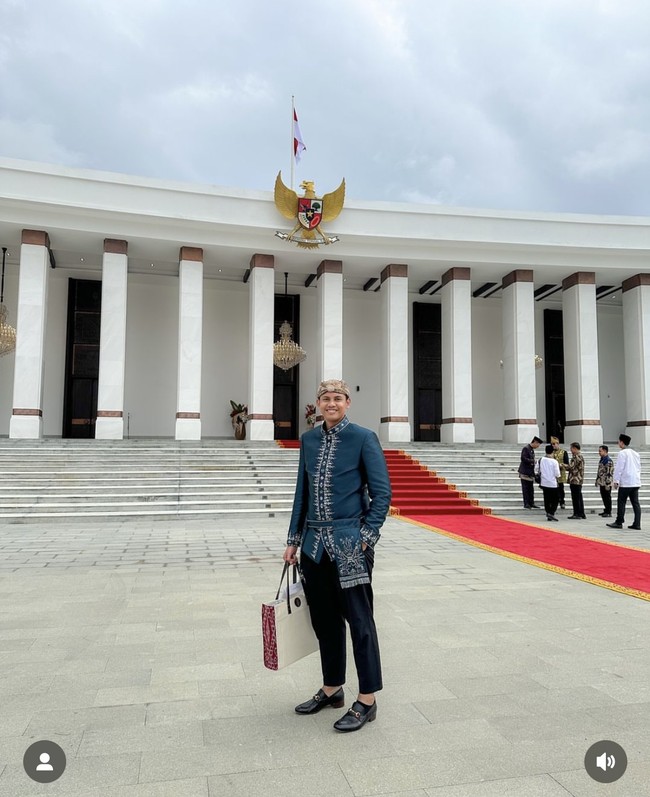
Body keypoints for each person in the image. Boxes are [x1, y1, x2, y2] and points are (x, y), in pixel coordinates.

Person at [283, 379, 391, 733]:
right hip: (314, 546)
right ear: (317, 403)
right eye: (325, 398)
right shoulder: (308, 440)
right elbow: (302, 491)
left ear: (347, 403)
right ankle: (332, 689)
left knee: (360, 623)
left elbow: (382, 494)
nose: (331, 403)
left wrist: (366, 537)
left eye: (337, 398)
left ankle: (367, 699)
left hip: (349, 544)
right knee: (324, 622)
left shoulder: (363, 438)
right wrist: (293, 540)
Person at [607, 434, 642, 530]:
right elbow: (639, 467)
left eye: (619, 441)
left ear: (622, 442)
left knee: (621, 501)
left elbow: (619, 468)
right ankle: (637, 523)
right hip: (635, 481)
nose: (618, 443)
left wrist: (616, 481)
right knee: (635, 503)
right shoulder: (636, 453)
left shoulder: (622, 453)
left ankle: (619, 521)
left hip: (626, 482)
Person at [537, 444, 561, 521]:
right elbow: (557, 474)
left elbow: (536, 469)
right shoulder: (554, 461)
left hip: (544, 482)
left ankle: (548, 512)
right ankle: (551, 512)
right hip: (552, 483)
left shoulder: (541, 460)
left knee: (546, 498)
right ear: (552, 451)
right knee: (555, 499)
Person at [518, 436, 542, 509]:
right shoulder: (526, 448)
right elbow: (523, 458)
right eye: (538, 444)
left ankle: (531, 503)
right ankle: (526, 503)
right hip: (525, 472)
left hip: (530, 473)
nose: (538, 446)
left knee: (531, 489)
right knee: (525, 489)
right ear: (534, 442)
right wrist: (532, 461)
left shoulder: (531, 450)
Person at [567, 442, 586, 519]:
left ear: (575, 448)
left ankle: (577, 513)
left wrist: (561, 465)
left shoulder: (576, 457)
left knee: (575, 497)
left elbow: (570, 467)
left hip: (575, 479)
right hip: (578, 479)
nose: (571, 450)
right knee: (579, 497)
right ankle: (581, 513)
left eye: (571, 448)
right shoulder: (580, 456)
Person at [550, 436, 569, 509]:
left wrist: (562, 465)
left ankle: (562, 502)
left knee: (561, 488)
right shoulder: (551, 452)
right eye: (552, 444)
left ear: (558, 444)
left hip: (561, 472)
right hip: (552, 473)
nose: (553, 445)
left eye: (555, 444)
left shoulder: (563, 452)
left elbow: (567, 463)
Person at [595, 444, 614, 518]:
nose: (599, 452)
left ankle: (608, 511)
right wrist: (597, 480)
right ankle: (606, 510)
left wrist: (607, 484)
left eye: (600, 451)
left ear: (605, 451)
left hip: (606, 483)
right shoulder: (602, 459)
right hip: (601, 482)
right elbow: (599, 471)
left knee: (607, 497)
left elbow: (609, 473)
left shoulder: (608, 461)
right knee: (604, 496)